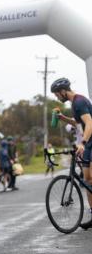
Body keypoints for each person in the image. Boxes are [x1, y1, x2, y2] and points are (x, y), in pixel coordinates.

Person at [51, 77, 92, 229]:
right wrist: (63, 118)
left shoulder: (79, 101)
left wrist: (83, 142)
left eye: (57, 94)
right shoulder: (74, 104)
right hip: (89, 144)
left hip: (90, 142)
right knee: (88, 180)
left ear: (63, 91)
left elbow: (89, 123)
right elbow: (78, 123)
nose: (57, 97)